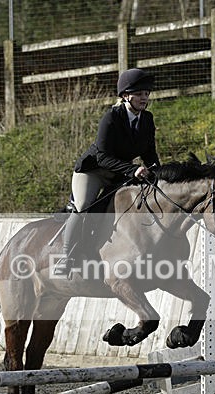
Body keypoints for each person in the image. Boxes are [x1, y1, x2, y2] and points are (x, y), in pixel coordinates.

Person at [55, 68, 161, 275]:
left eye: (146, 94)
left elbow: (150, 153)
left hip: (120, 173)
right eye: (139, 94)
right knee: (84, 206)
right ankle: (66, 258)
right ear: (125, 96)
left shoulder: (147, 119)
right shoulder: (111, 118)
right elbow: (102, 157)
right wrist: (133, 170)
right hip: (93, 171)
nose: (144, 98)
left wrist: (159, 174)